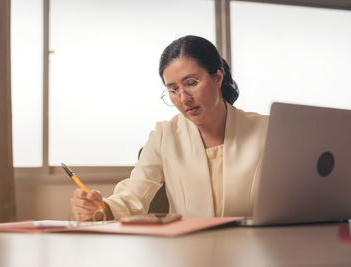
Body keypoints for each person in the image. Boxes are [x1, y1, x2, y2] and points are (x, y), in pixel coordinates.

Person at [71, 35, 268, 221]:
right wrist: (100, 209)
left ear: (218, 78)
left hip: (253, 246)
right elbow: (133, 195)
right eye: (173, 90)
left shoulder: (267, 130)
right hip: (189, 249)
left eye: (191, 83)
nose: (183, 98)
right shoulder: (165, 135)